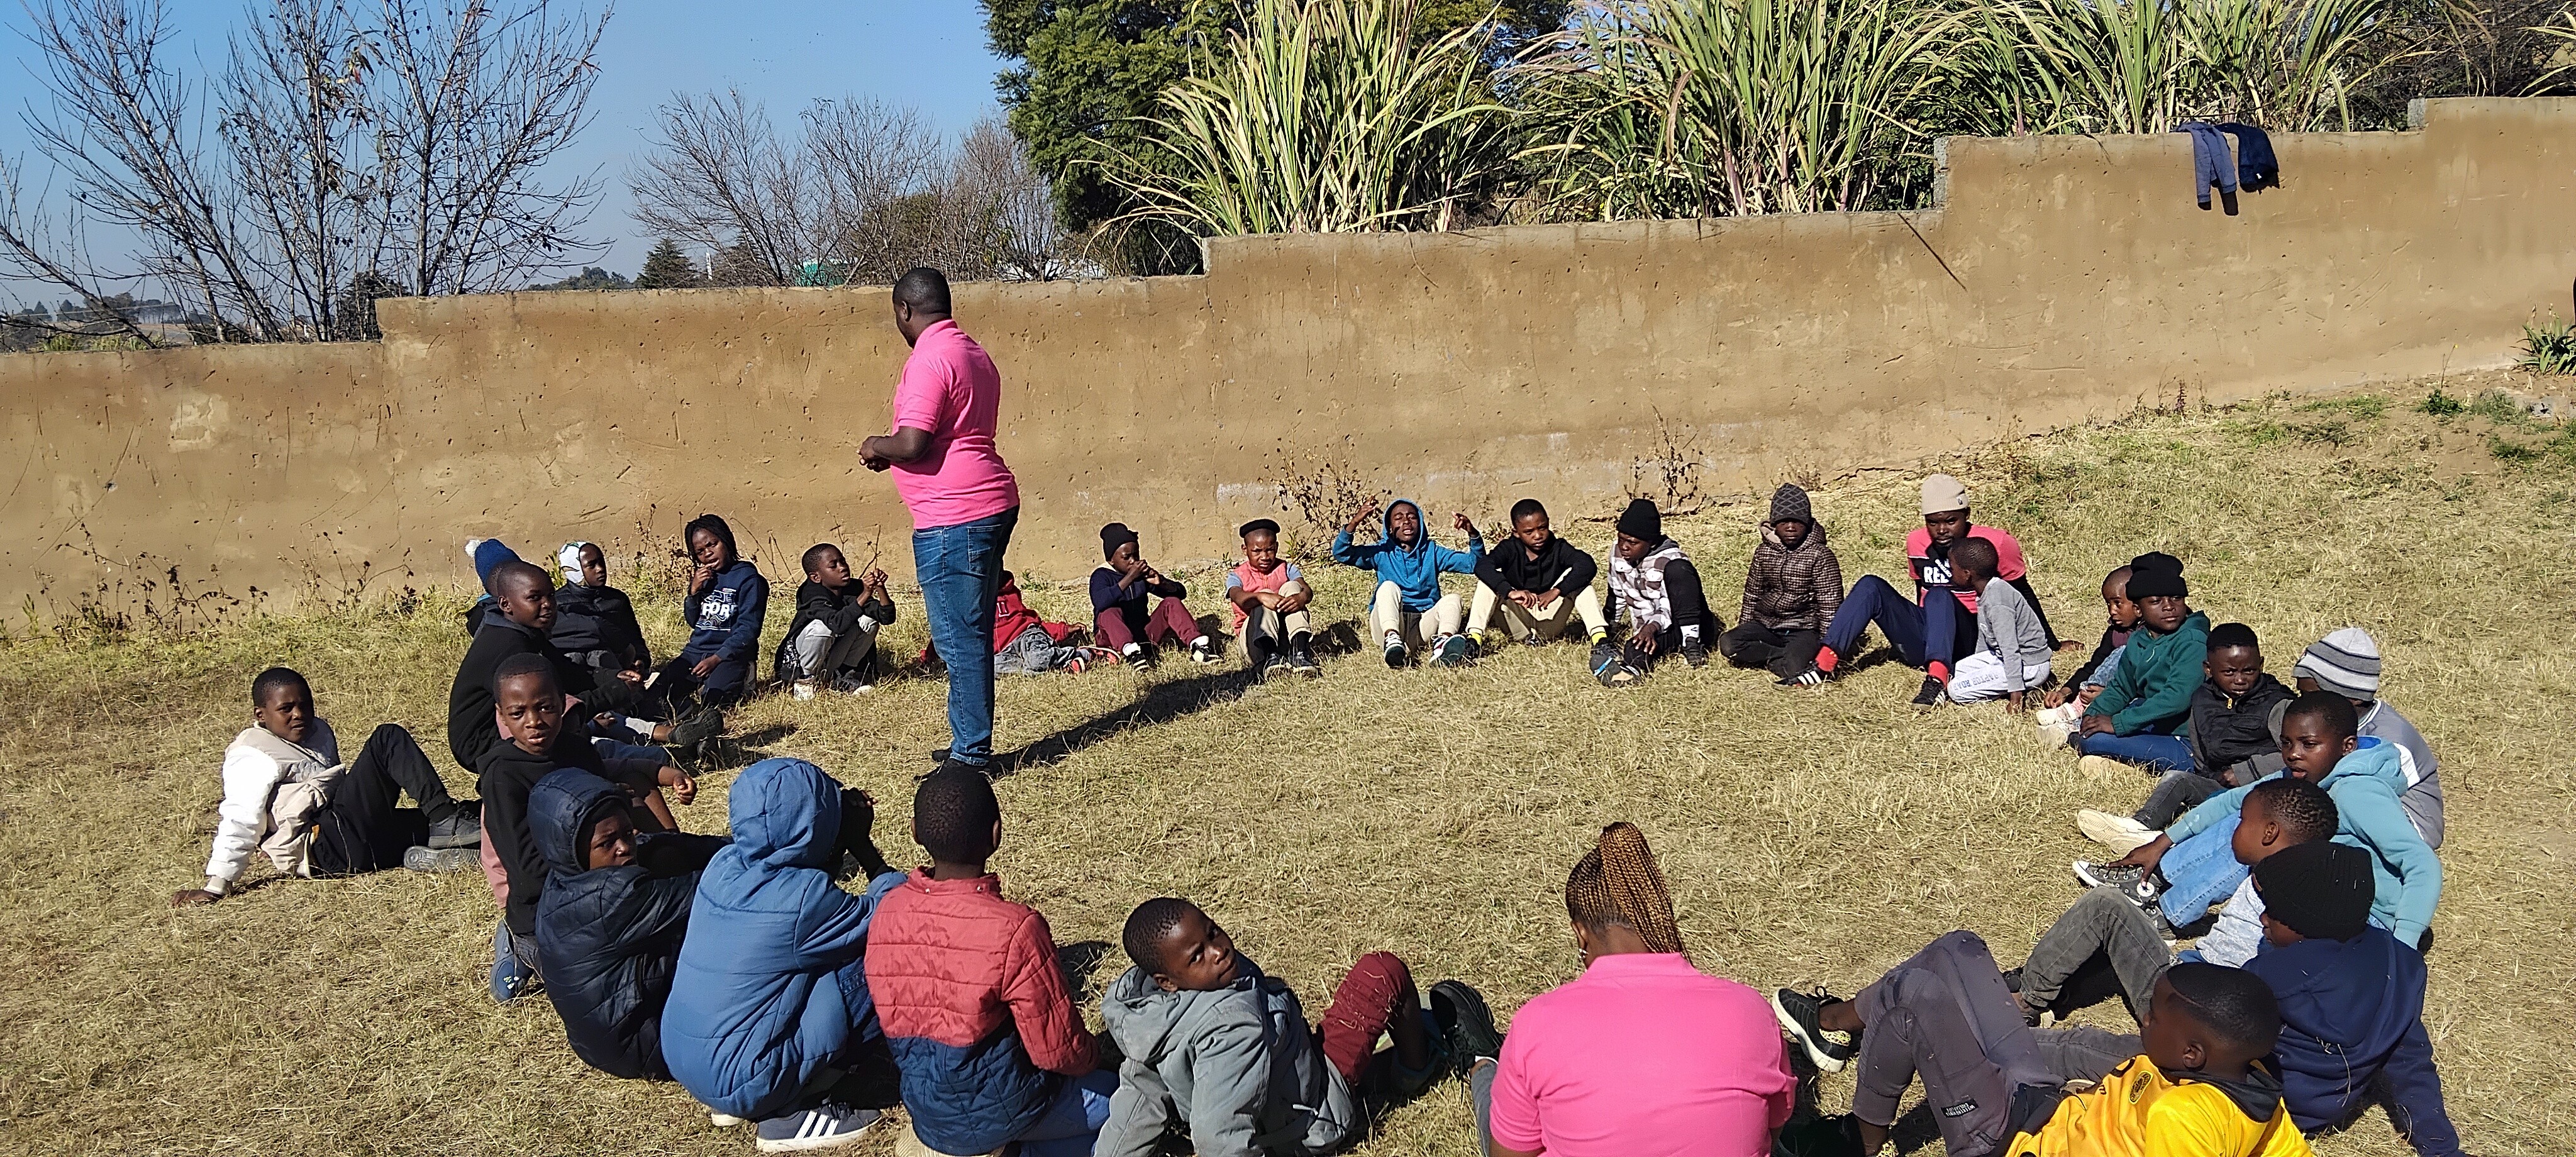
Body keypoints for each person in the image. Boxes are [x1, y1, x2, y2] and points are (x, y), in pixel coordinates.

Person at [1774, 953, 2309, 1157]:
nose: (2143, 1018)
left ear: (2193, 1053)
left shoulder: (2181, 1119)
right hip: (2045, 1106)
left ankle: (1858, 1141)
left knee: (1915, 995)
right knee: (1957, 950)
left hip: (2008, 1142)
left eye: (2155, 1016)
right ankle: (1829, 1025)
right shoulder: (2257, 1084)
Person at [1470, 822, 1792, 1157]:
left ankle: (1480, 1063)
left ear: (1580, 933)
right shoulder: (1750, 1010)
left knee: (1492, 1094)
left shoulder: (1536, 1024)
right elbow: (1773, 1123)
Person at [1094, 898, 1476, 1157]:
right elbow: (1218, 1134)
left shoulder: (1145, 1017)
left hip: (1284, 1086)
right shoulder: (1233, 1024)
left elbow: (1138, 1099)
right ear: (1167, 980)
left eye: (1212, 932)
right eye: (1198, 956)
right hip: (1313, 1114)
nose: (1218, 950)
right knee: (1382, 973)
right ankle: (1416, 1069)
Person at [662, 757, 907, 1153]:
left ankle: (741, 1095)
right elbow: (892, 913)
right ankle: (790, 1113)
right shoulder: (805, 900)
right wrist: (862, 846)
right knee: (889, 956)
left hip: (686, 1057)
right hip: (747, 1074)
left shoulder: (722, 866)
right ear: (814, 825)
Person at [865, 768, 1108, 1157]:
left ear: (914, 832)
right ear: (996, 835)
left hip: (927, 1112)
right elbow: (1059, 1053)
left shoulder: (888, 910)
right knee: (1128, 1104)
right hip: (1010, 1109)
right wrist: (1098, 1057)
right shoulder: (1015, 928)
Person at [2082, 692, 2443, 950]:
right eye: (2287, 743)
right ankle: (2157, 879)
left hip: (2373, 916)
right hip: (2326, 896)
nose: (2294, 754)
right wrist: (2162, 842)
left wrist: (2404, 946)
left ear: (2346, 747)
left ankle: (2168, 916)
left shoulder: (2357, 793)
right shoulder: (2302, 777)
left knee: (2271, 841)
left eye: (2308, 744)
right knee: (2256, 813)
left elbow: (2421, 864)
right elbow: (2232, 802)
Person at [861, 267, 1021, 775]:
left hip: (956, 515)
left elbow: (915, 442)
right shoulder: (974, 353)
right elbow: (952, 435)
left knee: (959, 636)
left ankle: (970, 755)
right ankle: (967, 742)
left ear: (904, 310)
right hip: (988, 501)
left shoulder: (930, 358)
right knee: (966, 631)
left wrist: (875, 447)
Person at [2016, 777, 2338, 1026]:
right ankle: (2053, 988)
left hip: (2190, 1009)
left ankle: (2027, 1001)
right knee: (2113, 947)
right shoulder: (2301, 885)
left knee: (2105, 906)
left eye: (2241, 823)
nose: (2234, 831)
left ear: (2269, 833)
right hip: (2199, 992)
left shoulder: (2277, 895)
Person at [477, 654, 696, 1004]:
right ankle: (517, 947)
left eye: (546, 708)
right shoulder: (504, 778)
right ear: (502, 716)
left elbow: (609, 807)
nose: (534, 722)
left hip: (605, 883)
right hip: (546, 911)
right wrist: (602, 865)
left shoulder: (577, 749)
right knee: (612, 990)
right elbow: (528, 872)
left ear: (563, 702)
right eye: (518, 714)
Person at [169, 667, 480, 908]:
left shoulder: (318, 731)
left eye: (306, 705)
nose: (299, 714)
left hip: (354, 837)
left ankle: (444, 852)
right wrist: (217, 885)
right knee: (387, 739)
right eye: (286, 708)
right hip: (326, 846)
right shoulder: (251, 754)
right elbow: (240, 820)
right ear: (261, 716)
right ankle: (444, 820)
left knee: (468, 816)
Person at [2240, 841, 2465, 1157]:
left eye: (2274, 912)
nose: (2263, 918)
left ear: (2307, 920)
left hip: (2265, 1107)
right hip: (2326, 1108)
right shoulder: (2400, 964)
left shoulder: (2271, 975)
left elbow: (2218, 1038)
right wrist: (2442, 1148)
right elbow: (2410, 1061)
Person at [1785, 474, 2057, 706]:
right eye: (1932, 522)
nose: (1941, 530)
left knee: (1940, 594)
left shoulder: (1995, 543)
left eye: (1950, 521)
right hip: (1933, 632)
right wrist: (1914, 627)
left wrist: (2051, 642)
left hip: (1971, 641)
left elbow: (2022, 593)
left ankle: (1938, 680)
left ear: (1967, 515)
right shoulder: (1916, 542)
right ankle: (1825, 663)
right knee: (1871, 585)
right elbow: (1920, 590)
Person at [529, 767, 726, 1081]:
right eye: (607, 843)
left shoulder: (565, 877)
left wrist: (732, 847)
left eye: (627, 832)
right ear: (575, 849)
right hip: (642, 1042)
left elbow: (663, 845)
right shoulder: (610, 897)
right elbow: (717, 891)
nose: (624, 847)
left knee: (665, 854)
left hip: (603, 1040)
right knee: (737, 932)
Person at [448, 560, 713, 778]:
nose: (548, 605)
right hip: (486, 744)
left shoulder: (522, 631)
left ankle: (672, 741)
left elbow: (565, 672)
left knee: (588, 722)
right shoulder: (510, 648)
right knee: (581, 744)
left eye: (551, 596)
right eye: (534, 598)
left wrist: (611, 677)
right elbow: (549, 706)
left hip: (517, 723)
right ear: (506, 604)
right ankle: (675, 758)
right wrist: (610, 695)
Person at [2077, 623, 2293, 855]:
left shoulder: (2278, 704)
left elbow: (2296, 758)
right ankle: (2139, 827)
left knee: (2205, 806)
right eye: (2229, 672)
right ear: (2209, 670)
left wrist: (2246, 772)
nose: (2240, 679)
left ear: (2260, 665)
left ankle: (2157, 838)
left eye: (2249, 671)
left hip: (2264, 790)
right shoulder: (2202, 699)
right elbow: (2201, 757)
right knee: (2180, 780)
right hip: (2219, 784)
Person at [2293, 628, 2445, 848]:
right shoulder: (2326, 722)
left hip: (2407, 832)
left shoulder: (2390, 742)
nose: (2303, 705)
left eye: (2310, 696)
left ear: (2352, 697)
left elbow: (2358, 801)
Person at [2070, 555, 2210, 772]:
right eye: (2156, 602)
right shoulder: (2140, 639)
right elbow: (2122, 687)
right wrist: (2093, 715)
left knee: (2094, 741)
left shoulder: (2193, 640)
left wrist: (2117, 724)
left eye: (2176, 598)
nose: (2169, 607)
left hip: (2186, 742)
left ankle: (2120, 759)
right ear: (2138, 609)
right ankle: (2119, 759)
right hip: (2156, 724)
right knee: (2094, 730)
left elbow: (2177, 698)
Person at [1334, 497, 1484, 668]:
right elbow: (1342, 553)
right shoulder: (1381, 552)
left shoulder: (1432, 552)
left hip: (1420, 624)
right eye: (1398, 518)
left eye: (1412, 517)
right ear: (1390, 528)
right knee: (1388, 587)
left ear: (1420, 522)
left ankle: (1442, 646)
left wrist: (1472, 533)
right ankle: (1392, 641)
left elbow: (1475, 564)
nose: (1406, 521)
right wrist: (1355, 521)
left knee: (1453, 599)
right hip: (1388, 622)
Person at [1717, 484, 1842, 680]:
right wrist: (1746, 628)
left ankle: (1784, 658)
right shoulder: (1763, 552)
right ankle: (1775, 656)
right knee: (1729, 644)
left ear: (1807, 523)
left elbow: (1830, 604)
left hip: (1803, 629)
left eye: (1797, 521)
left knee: (1795, 669)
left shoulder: (1820, 555)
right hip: (1767, 625)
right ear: (1774, 524)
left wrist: (1828, 647)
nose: (1790, 527)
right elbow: (1752, 594)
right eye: (1784, 521)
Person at [651, 514, 768, 711]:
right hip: (695, 653)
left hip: (729, 654)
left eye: (713, 544)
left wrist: (717, 659)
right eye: (700, 552)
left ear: (727, 540)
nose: (708, 554)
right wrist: (693, 593)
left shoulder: (748, 579)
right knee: (656, 698)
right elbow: (694, 622)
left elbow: (748, 629)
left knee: (714, 704)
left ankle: (743, 676)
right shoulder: (705, 578)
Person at [1597, 499, 1718, 687]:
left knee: (1680, 570)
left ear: (1651, 543)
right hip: (1654, 630)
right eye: (1621, 538)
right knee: (1634, 647)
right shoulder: (1617, 553)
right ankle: (1633, 673)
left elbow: (1669, 605)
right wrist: (1608, 628)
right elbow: (1616, 592)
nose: (1624, 546)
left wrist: (1651, 627)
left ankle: (1692, 646)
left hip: (1686, 622)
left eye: (1632, 542)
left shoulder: (1670, 559)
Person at [1467, 498, 1606, 652]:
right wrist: (1510, 592)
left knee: (1581, 581)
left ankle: (1601, 640)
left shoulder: (1558, 547)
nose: (1538, 535)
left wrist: (1557, 590)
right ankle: (1473, 641)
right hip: (1518, 623)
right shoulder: (1509, 549)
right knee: (1486, 583)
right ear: (1516, 533)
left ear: (1548, 523)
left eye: (1542, 528)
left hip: (1549, 619)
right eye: (1529, 532)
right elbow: (1482, 566)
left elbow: (1587, 565)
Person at [776, 543, 897, 700]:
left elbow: (887, 618)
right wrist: (866, 594)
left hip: (832, 657)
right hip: (801, 662)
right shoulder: (812, 593)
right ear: (816, 577)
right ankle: (805, 681)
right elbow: (836, 624)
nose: (843, 568)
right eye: (833, 566)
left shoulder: (852, 588)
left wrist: (880, 588)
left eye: (843, 562)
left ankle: (841, 677)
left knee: (869, 621)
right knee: (822, 627)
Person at [1944, 538, 2055, 707]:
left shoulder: (1998, 602)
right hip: (2001, 657)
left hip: (2031, 665)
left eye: (1952, 568)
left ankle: (2029, 687)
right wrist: (1979, 666)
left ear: (1967, 574)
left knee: (1955, 691)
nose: (1951, 573)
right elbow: (1985, 636)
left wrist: (2015, 695)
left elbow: (2010, 649)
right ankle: (2019, 685)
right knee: (1958, 670)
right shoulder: (1986, 590)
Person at [2035, 565, 2140, 742]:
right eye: (2108, 603)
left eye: (2118, 603)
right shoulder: (2116, 632)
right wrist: (2065, 691)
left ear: (2138, 604)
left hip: (2129, 699)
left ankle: (2074, 722)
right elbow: (2095, 665)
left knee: (2124, 653)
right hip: (2101, 694)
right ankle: (2076, 709)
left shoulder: (2151, 637)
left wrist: (2108, 694)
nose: (2112, 610)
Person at [1091, 522, 1216, 670]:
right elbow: (1100, 602)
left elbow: (1181, 594)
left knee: (1171, 602)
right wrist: (1130, 578)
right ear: (1111, 560)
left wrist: (1160, 582)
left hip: (1143, 637)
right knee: (1109, 612)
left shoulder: (1141, 576)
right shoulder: (1101, 576)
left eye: (1136, 555)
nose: (1133, 561)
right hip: (1113, 641)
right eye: (1126, 557)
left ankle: (1198, 646)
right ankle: (1132, 655)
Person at [1226, 519, 1319, 679]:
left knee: (1292, 588)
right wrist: (1261, 596)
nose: (1265, 556)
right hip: (1254, 643)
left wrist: (1302, 597)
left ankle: (1300, 653)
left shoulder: (1287, 569)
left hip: (1284, 637)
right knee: (1262, 596)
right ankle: (1271, 657)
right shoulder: (1236, 576)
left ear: (1276, 547)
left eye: (1270, 550)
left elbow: (1307, 591)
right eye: (1257, 551)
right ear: (1245, 550)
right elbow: (1240, 598)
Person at [552, 541, 652, 679]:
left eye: (601, 562)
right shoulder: (559, 604)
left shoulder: (617, 600)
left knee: (601, 657)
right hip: (576, 669)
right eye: (591, 565)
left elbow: (634, 636)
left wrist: (641, 659)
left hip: (618, 662)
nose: (600, 569)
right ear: (574, 569)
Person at [992, 570, 1101, 675]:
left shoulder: (1010, 594)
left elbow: (1035, 622)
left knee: (1038, 659)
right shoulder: (978, 603)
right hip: (1005, 651)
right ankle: (1062, 667)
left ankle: (1083, 654)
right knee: (992, 668)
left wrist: (1064, 630)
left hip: (1026, 636)